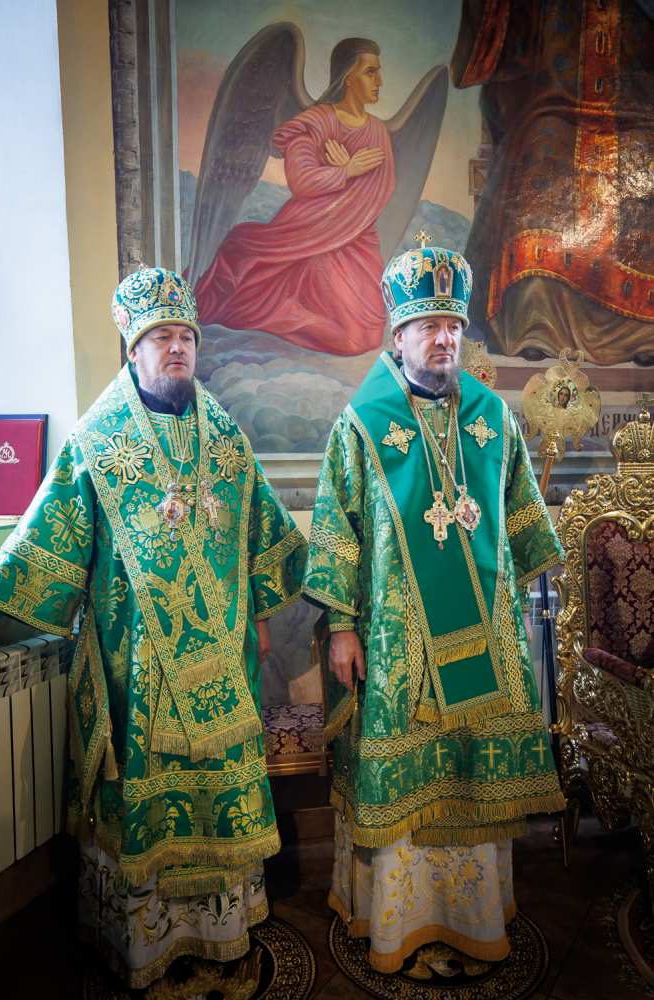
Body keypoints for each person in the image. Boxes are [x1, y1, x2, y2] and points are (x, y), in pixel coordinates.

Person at [0, 267, 307, 990]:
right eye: (161, 336)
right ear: (133, 349)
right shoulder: (98, 442)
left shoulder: (224, 437)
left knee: (217, 794)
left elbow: (260, 535)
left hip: (224, 658)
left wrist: (260, 618)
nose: (177, 348)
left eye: (185, 336)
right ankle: (145, 941)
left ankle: (220, 929)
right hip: (134, 664)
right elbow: (48, 541)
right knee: (146, 798)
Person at [303, 240, 566, 974]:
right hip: (398, 645)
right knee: (407, 778)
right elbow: (336, 531)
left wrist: (531, 598)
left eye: (453, 325)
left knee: (472, 775)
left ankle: (474, 916)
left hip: (485, 632)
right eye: (428, 327)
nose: (444, 338)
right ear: (399, 337)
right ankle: (398, 922)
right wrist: (342, 628)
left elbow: (521, 514)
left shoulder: (492, 418)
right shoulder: (362, 425)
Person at [451, 0, 654, 365]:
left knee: (645, 172)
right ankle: (536, 324)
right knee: (537, 159)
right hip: (555, 103)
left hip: (636, 108)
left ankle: (641, 332)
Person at [193, 37, 395, 355]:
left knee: (368, 336)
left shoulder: (378, 132)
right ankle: (279, 311)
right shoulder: (315, 123)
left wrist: (348, 174)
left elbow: (382, 188)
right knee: (350, 339)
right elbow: (302, 181)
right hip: (309, 236)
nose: (379, 81)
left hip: (356, 240)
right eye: (370, 72)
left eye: (378, 72)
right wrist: (347, 171)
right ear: (348, 76)